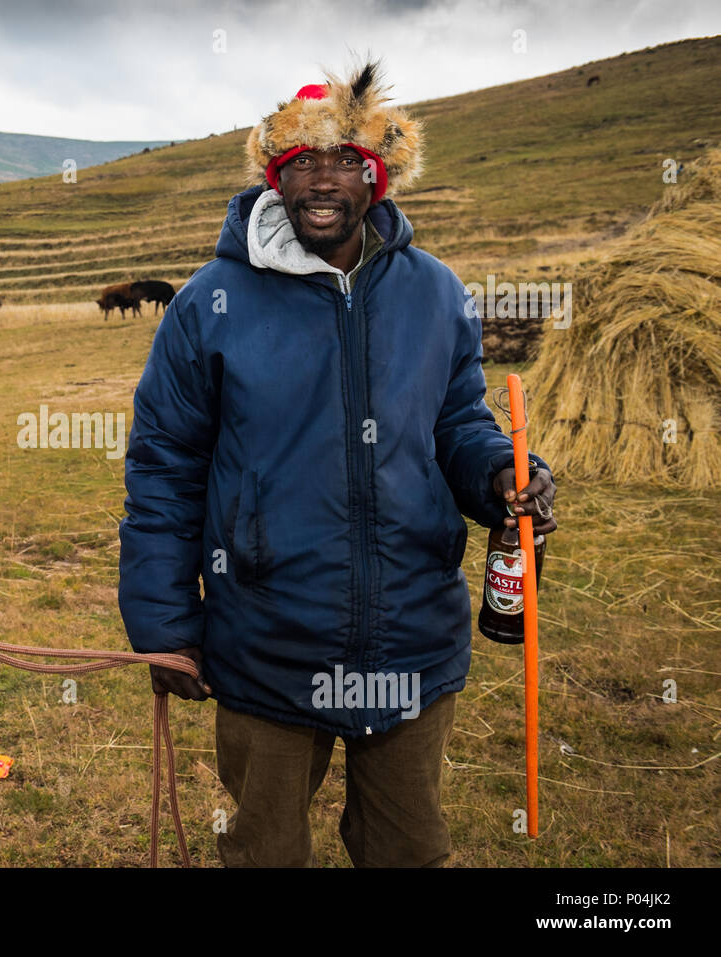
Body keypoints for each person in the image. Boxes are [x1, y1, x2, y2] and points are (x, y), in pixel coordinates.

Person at [117, 61, 558, 867]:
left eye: (347, 162)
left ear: (378, 178)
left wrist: (498, 472)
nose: (325, 182)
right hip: (267, 642)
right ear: (275, 177)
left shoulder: (436, 293)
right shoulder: (209, 303)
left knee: (409, 851)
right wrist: (163, 622)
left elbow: (457, 419)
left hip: (411, 639)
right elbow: (165, 467)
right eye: (303, 164)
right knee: (265, 852)